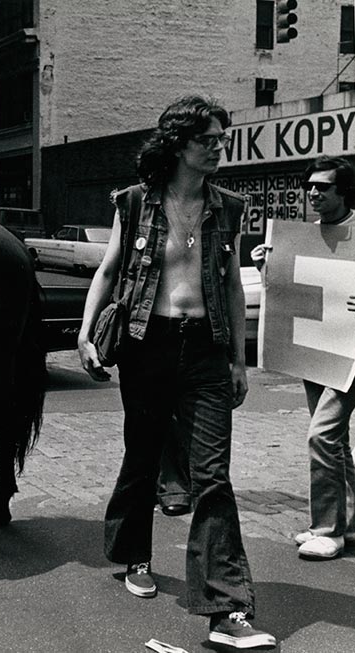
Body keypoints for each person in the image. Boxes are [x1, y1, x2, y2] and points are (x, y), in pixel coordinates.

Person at [77, 96, 276, 649]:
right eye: (207, 139)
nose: (218, 148)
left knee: (211, 476)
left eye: (221, 139)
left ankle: (228, 611)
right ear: (178, 144)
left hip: (207, 350)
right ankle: (134, 553)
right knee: (142, 456)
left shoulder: (229, 206)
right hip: (147, 343)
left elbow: (233, 286)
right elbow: (110, 270)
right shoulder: (136, 202)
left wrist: (239, 359)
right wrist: (85, 331)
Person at [251, 155, 355, 561]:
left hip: (351, 352)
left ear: (344, 191)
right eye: (310, 186)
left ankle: (329, 531)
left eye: (323, 187)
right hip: (315, 347)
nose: (313, 193)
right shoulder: (304, 237)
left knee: (322, 435)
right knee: (335, 440)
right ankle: (348, 518)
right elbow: (290, 293)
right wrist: (268, 266)